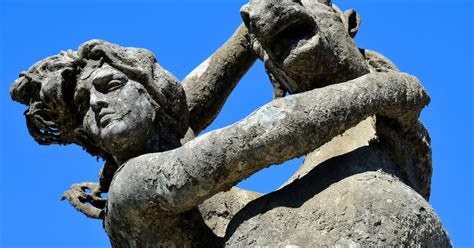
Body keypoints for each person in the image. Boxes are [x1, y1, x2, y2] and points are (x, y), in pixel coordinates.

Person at [10, 5, 434, 247]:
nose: (98, 105)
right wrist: (385, 90)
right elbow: (258, 139)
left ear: (151, 94)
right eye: (83, 105)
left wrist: (258, 22)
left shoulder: (168, 132)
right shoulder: (133, 187)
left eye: (108, 86)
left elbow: (200, 86)